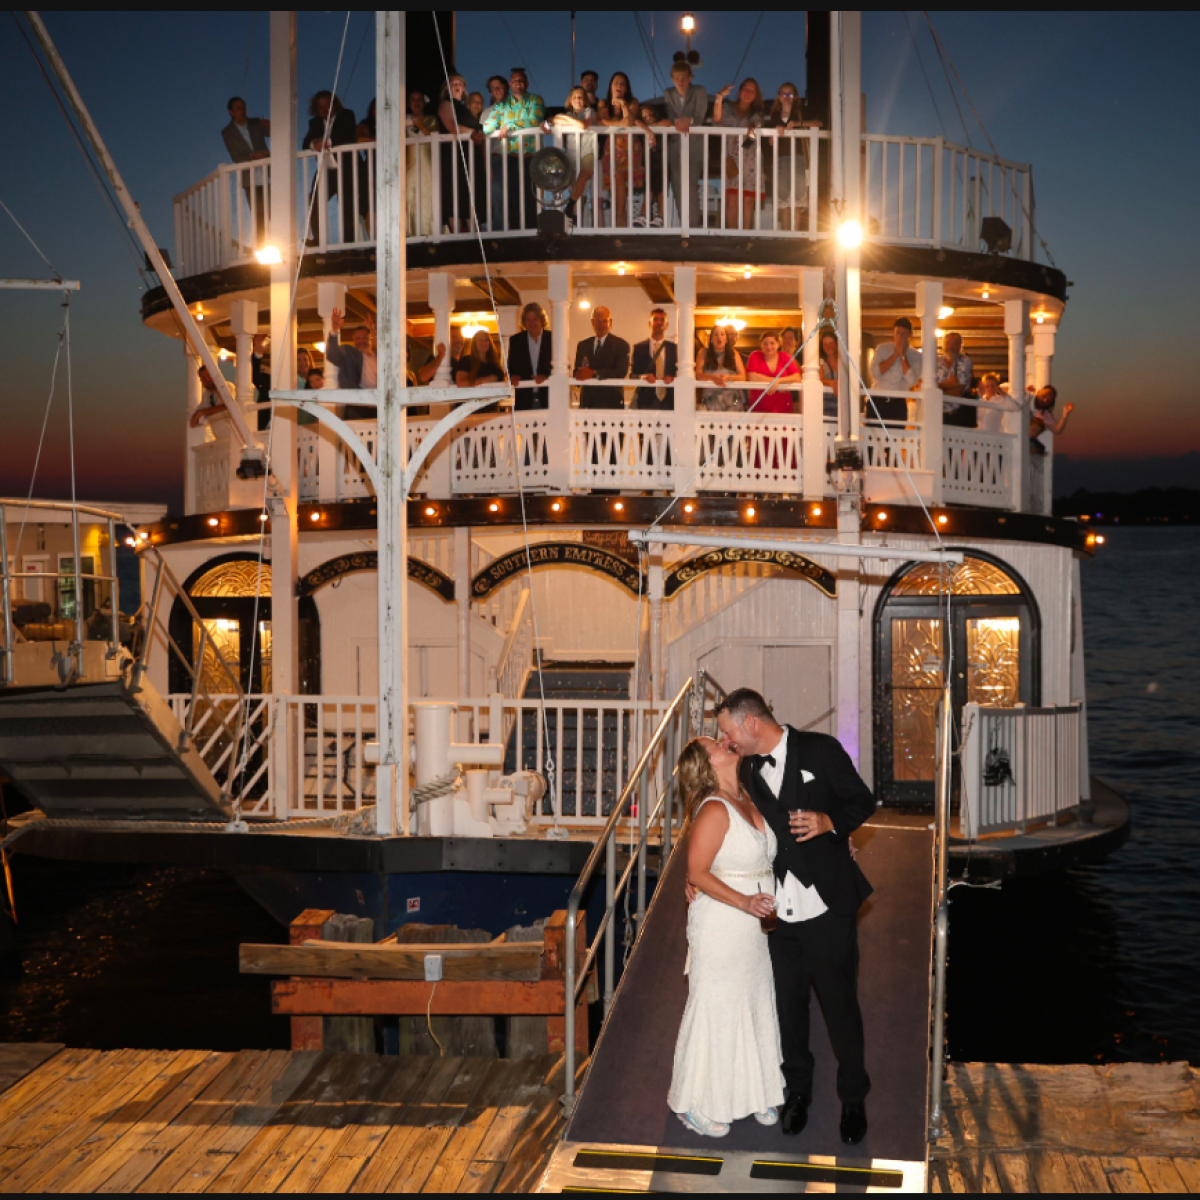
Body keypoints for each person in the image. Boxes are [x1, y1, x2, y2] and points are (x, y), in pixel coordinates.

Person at [712, 688, 875, 1145]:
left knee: (840, 1008)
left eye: (727, 733)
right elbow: (732, 821)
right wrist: (698, 871)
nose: (726, 742)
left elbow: (863, 801)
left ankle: (854, 1099)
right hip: (778, 915)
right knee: (789, 1010)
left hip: (828, 907)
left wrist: (830, 823)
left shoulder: (820, 750)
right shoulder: (745, 768)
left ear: (750, 724)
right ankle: (797, 1093)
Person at [667, 736, 784, 1138]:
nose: (724, 741)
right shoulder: (715, 808)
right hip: (722, 921)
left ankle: (756, 1091)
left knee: (752, 999)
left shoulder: (749, 798)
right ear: (707, 762)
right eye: (714, 743)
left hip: (751, 923)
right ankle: (695, 1102)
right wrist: (745, 901)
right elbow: (697, 872)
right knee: (716, 1005)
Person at [482, 68, 546, 231]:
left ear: (526, 83)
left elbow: (533, 120)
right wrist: (479, 132)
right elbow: (490, 123)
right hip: (510, 157)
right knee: (512, 196)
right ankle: (517, 231)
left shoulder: (535, 100)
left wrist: (509, 125)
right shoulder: (503, 105)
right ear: (510, 84)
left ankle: (532, 230)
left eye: (521, 80)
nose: (518, 82)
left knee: (530, 196)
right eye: (515, 80)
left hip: (530, 156)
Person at [303, 91, 359, 244]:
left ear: (334, 104)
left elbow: (347, 136)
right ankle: (318, 239)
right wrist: (313, 144)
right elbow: (305, 143)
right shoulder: (314, 123)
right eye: (320, 107)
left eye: (327, 105)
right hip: (326, 169)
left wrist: (326, 142)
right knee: (314, 201)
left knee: (348, 205)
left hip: (347, 168)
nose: (324, 109)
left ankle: (350, 244)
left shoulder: (346, 115)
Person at [713, 79, 767, 231]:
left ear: (756, 95)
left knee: (748, 200)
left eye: (752, 91)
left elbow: (755, 129)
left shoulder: (757, 114)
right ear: (739, 91)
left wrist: (751, 132)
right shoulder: (727, 108)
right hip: (731, 159)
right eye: (746, 89)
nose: (748, 93)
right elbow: (717, 120)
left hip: (751, 161)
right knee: (732, 199)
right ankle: (732, 235)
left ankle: (745, 236)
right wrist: (719, 97)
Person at [436, 74, 486, 234]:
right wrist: (475, 132)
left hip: (471, 155)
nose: (457, 86)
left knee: (471, 195)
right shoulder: (446, 104)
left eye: (460, 83)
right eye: (453, 84)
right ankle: (456, 236)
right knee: (455, 195)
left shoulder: (465, 107)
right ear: (447, 88)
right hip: (454, 156)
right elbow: (452, 126)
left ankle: (473, 234)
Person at [599, 74, 651, 227]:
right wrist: (618, 122)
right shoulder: (604, 103)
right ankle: (620, 220)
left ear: (627, 88)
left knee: (623, 184)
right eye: (616, 83)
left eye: (622, 83)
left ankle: (620, 221)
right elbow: (599, 121)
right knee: (617, 181)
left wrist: (622, 104)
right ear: (610, 86)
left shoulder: (632, 102)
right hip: (612, 147)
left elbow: (629, 121)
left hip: (629, 147)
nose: (619, 86)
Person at [661, 60, 708, 224]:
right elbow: (670, 116)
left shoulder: (699, 91)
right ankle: (684, 227)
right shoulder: (669, 93)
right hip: (675, 147)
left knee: (690, 187)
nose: (680, 82)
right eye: (676, 78)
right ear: (672, 79)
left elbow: (700, 116)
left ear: (690, 78)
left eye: (683, 78)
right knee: (677, 188)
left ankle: (693, 227)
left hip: (694, 147)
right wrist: (679, 121)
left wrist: (690, 119)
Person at [767, 82, 818, 231]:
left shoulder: (801, 112)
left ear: (795, 97)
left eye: (790, 94)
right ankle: (785, 235)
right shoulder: (774, 116)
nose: (787, 97)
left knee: (797, 201)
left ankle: (795, 234)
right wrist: (776, 131)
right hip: (781, 159)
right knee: (784, 202)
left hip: (799, 158)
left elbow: (818, 123)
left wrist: (797, 123)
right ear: (779, 97)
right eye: (784, 94)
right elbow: (770, 142)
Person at [222, 97, 270, 238]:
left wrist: (271, 126)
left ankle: (280, 243)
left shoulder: (256, 123)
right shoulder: (227, 132)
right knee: (259, 215)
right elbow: (235, 156)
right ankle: (262, 248)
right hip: (250, 179)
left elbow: (278, 135)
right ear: (231, 112)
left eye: (242, 107)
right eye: (237, 108)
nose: (241, 110)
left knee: (276, 210)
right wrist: (251, 157)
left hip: (269, 173)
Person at [551, 87, 599, 224]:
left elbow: (583, 124)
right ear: (570, 100)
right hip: (571, 152)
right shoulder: (568, 114)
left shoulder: (590, 111)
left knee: (585, 173)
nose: (578, 100)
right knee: (566, 180)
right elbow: (554, 119)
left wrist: (565, 119)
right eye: (575, 97)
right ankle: (571, 214)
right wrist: (567, 118)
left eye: (580, 97)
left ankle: (570, 205)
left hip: (587, 150)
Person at [574, 306, 630, 410]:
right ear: (592, 322)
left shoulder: (621, 345)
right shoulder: (583, 345)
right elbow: (576, 370)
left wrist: (594, 374)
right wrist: (579, 374)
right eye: (598, 321)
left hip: (611, 401)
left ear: (610, 322)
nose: (601, 325)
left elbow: (621, 372)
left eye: (605, 321)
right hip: (588, 402)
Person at [325, 307, 377, 419]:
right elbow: (332, 355)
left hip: (377, 404)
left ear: (370, 338)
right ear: (353, 339)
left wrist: (373, 330)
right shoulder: (349, 353)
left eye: (364, 338)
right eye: (358, 338)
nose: (361, 341)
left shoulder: (377, 357)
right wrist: (334, 330)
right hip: (357, 405)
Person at [868, 317, 920, 422]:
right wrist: (896, 354)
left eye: (904, 334)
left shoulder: (916, 356)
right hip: (877, 399)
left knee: (896, 437)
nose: (900, 337)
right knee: (873, 437)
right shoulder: (882, 348)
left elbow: (912, 380)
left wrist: (902, 356)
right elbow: (875, 372)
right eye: (898, 333)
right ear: (893, 333)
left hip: (898, 403)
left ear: (910, 335)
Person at [507, 302, 552, 410]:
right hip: (524, 399)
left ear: (541, 320)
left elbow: (562, 366)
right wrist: (512, 376)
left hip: (548, 398)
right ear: (524, 321)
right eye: (528, 319)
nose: (532, 323)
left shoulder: (552, 338)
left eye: (535, 319)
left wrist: (546, 376)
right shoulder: (516, 340)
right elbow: (510, 366)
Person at [631, 308, 677, 410]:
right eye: (656, 319)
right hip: (646, 400)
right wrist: (644, 377)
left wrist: (673, 378)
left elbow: (680, 373)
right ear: (650, 323)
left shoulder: (674, 348)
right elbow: (633, 375)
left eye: (662, 320)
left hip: (670, 400)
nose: (659, 322)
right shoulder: (639, 348)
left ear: (666, 325)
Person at [406, 90, 437, 236]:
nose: (416, 102)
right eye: (413, 99)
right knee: (411, 198)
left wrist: (421, 125)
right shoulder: (404, 121)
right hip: (411, 167)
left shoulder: (432, 120)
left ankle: (429, 233)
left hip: (428, 165)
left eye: (419, 99)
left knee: (427, 197)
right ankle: (412, 233)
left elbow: (435, 137)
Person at [746, 331, 800, 414]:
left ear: (778, 344)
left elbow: (796, 377)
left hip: (782, 404)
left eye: (772, 343)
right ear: (761, 345)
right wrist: (774, 380)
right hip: (760, 404)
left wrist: (778, 381)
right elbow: (751, 377)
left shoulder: (785, 357)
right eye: (765, 343)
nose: (769, 346)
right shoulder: (755, 355)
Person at [696, 324, 746, 412]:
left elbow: (743, 376)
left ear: (726, 339)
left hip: (732, 402)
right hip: (711, 400)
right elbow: (698, 374)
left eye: (722, 334)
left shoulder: (734, 353)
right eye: (716, 334)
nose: (719, 337)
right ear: (711, 339)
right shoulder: (704, 352)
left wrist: (728, 378)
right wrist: (713, 378)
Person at [937, 331, 975, 428]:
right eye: (948, 343)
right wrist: (949, 384)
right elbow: (923, 384)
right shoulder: (936, 361)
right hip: (937, 413)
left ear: (960, 346)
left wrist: (937, 387)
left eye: (955, 344)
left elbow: (957, 391)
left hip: (958, 415)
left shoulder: (964, 360)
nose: (950, 346)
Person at [819, 331, 840, 420]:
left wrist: (839, 384)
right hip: (825, 404)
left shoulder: (843, 361)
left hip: (841, 404)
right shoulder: (820, 361)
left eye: (831, 343)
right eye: (825, 344)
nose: (828, 347)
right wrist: (833, 383)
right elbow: (821, 379)